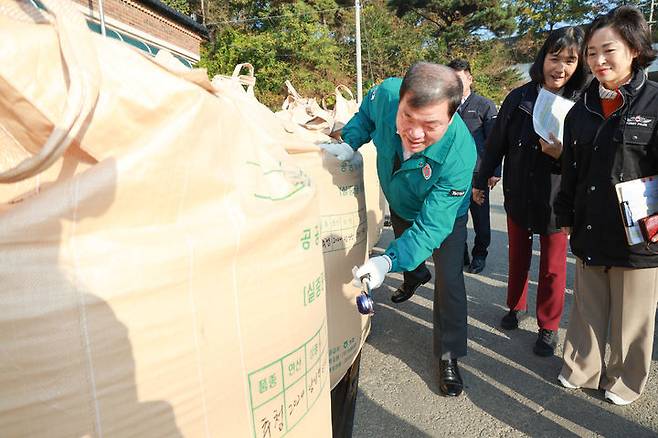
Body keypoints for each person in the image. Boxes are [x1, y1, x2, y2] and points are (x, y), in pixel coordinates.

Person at [320, 62, 476, 397]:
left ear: (451, 116)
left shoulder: (461, 154)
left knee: (449, 279)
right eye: (407, 118)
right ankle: (414, 275)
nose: (415, 133)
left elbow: (432, 227)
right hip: (400, 197)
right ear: (401, 100)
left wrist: (384, 262)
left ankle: (448, 355)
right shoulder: (387, 93)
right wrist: (350, 142)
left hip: (443, 215)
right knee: (407, 250)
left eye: (430, 125)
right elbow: (365, 116)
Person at [554, 6, 658, 405]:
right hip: (590, 225)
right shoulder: (580, 109)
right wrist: (565, 215)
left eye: (608, 50)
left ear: (633, 48)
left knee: (633, 317)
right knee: (587, 308)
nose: (598, 61)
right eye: (591, 53)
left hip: (641, 236)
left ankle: (626, 380)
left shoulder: (653, 103)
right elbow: (571, 170)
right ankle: (582, 368)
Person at [473, 26, 587, 357]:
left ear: (578, 65)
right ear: (543, 59)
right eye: (555, 58)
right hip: (519, 192)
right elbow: (496, 144)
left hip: (556, 199)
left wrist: (562, 155)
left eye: (570, 60)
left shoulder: (581, 104)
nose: (560, 68)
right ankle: (515, 306)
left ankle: (548, 326)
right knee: (517, 257)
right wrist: (481, 181)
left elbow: (590, 156)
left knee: (553, 267)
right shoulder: (520, 97)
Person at [448, 59, 500, 274]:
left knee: (480, 219)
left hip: (478, 173)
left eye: (460, 79)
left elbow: (495, 141)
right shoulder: (444, 104)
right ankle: (461, 253)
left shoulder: (484, 105)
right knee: (454, 218)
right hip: (451, 173)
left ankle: (480, 254)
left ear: (470, 79)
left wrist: (495, 171)